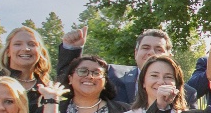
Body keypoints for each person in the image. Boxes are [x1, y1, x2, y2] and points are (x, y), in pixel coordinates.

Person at [56, 27, 195, 105]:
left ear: (169, 56)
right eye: (145, 47)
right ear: (136, 53)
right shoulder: (112, 75)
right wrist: (71, 50)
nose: (151, 53)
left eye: (158, 49)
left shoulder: (187, 93)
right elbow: (68, 86)